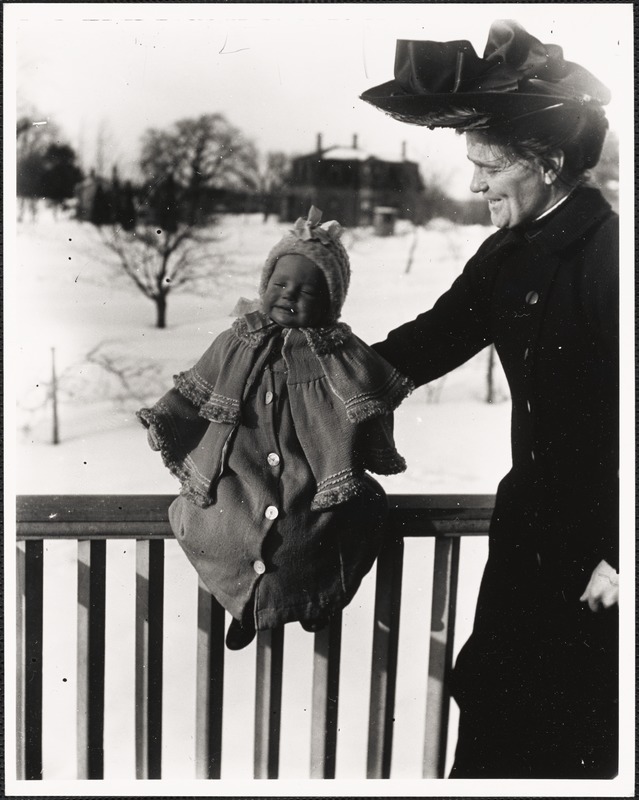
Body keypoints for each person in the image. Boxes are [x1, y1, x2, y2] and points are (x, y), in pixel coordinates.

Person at [360, 19, 619, 779]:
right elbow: (424, 344)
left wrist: (620, 556)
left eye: (486, 166)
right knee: (497, 728)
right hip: (527, 550)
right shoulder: (504, 254)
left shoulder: (613, 259)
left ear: (542, 161)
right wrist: (299, 368)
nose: (472, 185)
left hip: (602, 572)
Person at [137, 206, 413, 650]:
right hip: (239, 474)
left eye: (306, 290)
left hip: (314, 476)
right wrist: (166, 419)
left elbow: (370, 398)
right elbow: (197, 388)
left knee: (316, 533)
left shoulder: (340, 351)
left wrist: (367, 443)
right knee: (222, 530)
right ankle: (242, 606)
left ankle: (314, 601)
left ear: (330, 301)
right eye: (280, 284)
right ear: (265, 285)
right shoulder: (237, 340)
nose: (289, 295)